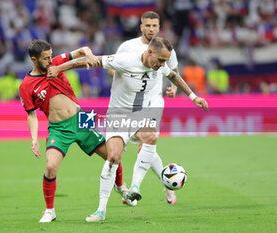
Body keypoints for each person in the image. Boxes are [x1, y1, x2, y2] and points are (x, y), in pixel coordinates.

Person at [47, 37, 209, 222]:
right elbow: (91, 60)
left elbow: (173, 75)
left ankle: (135, 188)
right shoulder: (126, 60)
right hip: (117, 116)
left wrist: (193, 97)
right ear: (149, 52)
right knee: (114, 157)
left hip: (139, 116)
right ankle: (101, 211)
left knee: (151, 136)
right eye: (161, 60)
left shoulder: (159, 65)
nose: (163, 64)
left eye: (165, 61)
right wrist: (59, 68)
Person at [18, 40, 128, 223]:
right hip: (59, 129)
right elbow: (31, 115)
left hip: (82, 118)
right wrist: (34, 139)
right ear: (33, 59)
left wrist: (90, 55)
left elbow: (83, 51)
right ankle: (49, 211)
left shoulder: (56, 63)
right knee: (51, 167)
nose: (50, 60)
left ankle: (120, 187)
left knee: (113, 156)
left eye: (51, 56)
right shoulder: (26, 86)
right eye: (45, 58)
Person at [109, 11, 180, 206]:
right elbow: (111, 68)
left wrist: (173, 87)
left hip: (154, 102)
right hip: (129, 102)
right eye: (147, 25)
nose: (151, 29)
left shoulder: (166, 48)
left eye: (154, 26)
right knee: (146, 146)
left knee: (145, 143)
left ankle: (134, 190)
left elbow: (174, 71)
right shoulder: (128, 47)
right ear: (141, 26)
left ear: (159, 27)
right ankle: (166, 181)